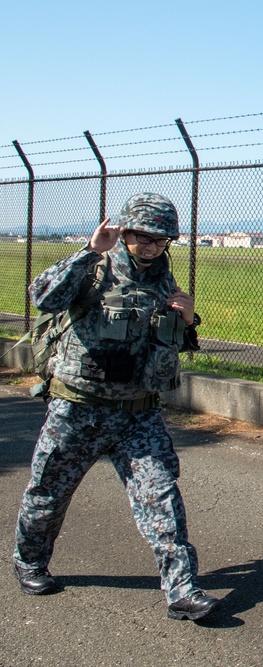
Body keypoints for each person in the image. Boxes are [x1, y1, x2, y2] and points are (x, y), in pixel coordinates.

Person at [12, 193, 218, 621]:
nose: (151, 246)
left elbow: (170, 344)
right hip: (78, 409)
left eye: (160, 239)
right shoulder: (94, 270)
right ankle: (29, 561)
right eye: (141, 236)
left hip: (138, 415)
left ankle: (182, 590)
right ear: (123, 232)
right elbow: (43, 298)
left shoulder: (165, 281)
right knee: (48, 494)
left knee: (162, 499)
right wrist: (90, 251)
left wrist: (189, 319)